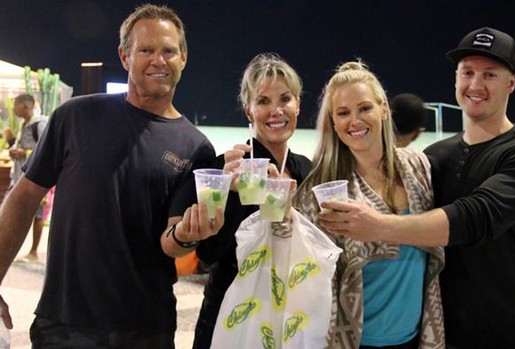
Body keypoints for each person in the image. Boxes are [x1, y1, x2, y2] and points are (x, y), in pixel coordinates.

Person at [318, 27, 515, 349]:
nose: (475, 85)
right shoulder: (432, 159)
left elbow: (475, 218)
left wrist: (378, 226)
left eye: (490, 75)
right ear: (456, 78)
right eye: (467, 72)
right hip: (440, 333)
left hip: (509, 332)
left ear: (511, 83)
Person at [0, 4, 220, 348]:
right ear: (124, 56)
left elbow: (174, 241)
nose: (158, 61)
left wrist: (193, 235)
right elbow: (24, 197)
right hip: (64, 324)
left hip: (146, 330)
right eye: (145, 50)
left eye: (168, 51)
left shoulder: (197, 149)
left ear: (184, 58)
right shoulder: (74, 117)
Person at [162, 52, 312, 349]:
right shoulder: (226, 168)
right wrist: (228, 195)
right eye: (263, 101)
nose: (276, 111)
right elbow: (208, 255)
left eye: (285, 99)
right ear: (248, 110)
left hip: (287, 314)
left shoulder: (306, 169)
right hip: (228, 314)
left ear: (298, 104)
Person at [292, 61, 445, 349]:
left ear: (383, 109)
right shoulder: (320, 191)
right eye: (343, 113)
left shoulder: (418, 168)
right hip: (355, 341)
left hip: (417, 336)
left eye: (364, 108)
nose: (355, 120)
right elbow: (304, 281)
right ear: (334, 124)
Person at [7, 93, 48, 262]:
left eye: (15, 105)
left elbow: (46, 149)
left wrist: (25, 153)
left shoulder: (40, 124)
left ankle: (33, 251)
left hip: (35, 178)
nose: (14, 109)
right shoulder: (25, 125)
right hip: (20, 175)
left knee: (37, 213)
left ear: (25, 106)